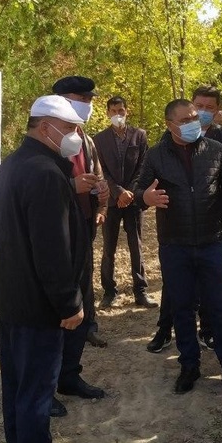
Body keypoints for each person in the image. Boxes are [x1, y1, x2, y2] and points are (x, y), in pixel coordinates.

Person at [0, 94, 90, 443]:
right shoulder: (46, 173)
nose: (75, 136)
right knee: (35, 395)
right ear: (45, 127)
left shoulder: (15, 164)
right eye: (70, 129)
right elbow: (52, 249)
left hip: (11, 298)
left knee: (16, 388)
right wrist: (69, 303)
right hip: (38, 306)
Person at [134, 99, 222, 396]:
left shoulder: (215, 149)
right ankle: (189, 365)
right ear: (169, 125)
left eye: (195, 117)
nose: (193, 123)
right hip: (175, 244)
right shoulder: (156, 155)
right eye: (185, 120)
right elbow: (138, 190)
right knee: (182, 308)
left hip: (212, 241)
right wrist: (145, 198)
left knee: (220, 306)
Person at [50, 76, 108, 413]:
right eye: (80, 98)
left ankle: (69, 375)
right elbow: (41, 186)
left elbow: (96, 175)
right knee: (58, 308)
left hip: (84, 228)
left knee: (81, 300)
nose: (87, 104)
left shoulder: (84, 138)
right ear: (59, 100)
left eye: (89, 99)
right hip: (57, 232)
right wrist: (72, 187)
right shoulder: (48, 139)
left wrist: (102, 197)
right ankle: (47, 385)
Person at [93, 96, 155, 308]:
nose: (117, 114)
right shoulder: (99, 139)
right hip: (111, 201)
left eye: (121, 110)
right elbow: (100, 170)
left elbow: (143, 166)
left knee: (136, 245)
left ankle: (140, 290)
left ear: (127, 111)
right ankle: (109, 291)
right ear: (107, 113)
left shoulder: (139, 135)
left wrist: (129, 193)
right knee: (108, 247)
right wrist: (118, 192)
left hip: (133, 200)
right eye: (113, 111)